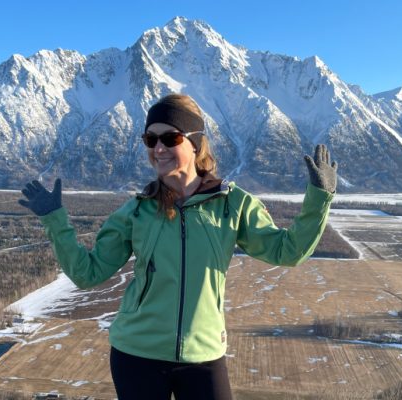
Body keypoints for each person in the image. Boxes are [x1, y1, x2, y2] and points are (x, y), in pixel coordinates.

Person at [19, 94, 337, 400]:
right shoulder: (135, 212)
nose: (158, 149)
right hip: (136, 355)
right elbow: (88, 273)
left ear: (195, 142)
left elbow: (288, 251)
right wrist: (55, 220)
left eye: (169, 138)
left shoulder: (233, 205)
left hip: (204, 356)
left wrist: (319, 197)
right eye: (150, 140)